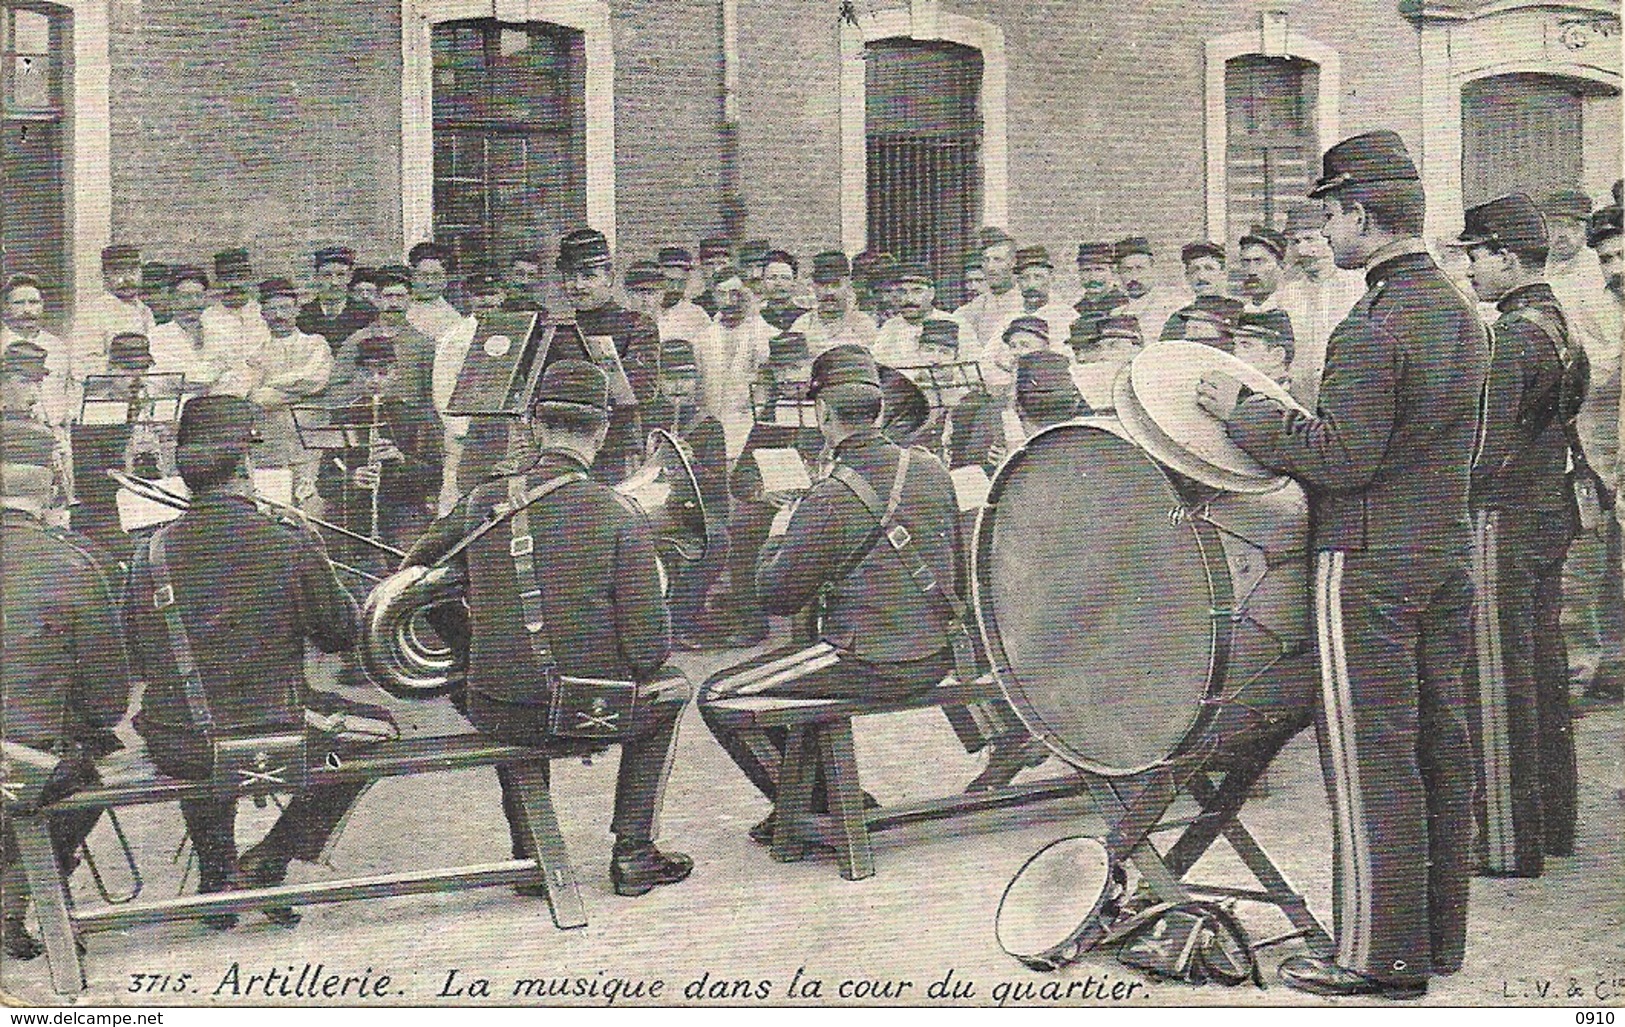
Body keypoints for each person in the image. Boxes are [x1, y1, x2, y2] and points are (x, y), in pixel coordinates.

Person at [1195, 129, 1485, 999]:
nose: (1322, 234)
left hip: (1364, 562)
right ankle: (1434, 939)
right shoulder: (1458, 310)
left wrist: (1245, 410)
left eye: (1328, 216)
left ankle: (1377, 957)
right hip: (1440, 551)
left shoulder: (1374, 323)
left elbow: (1341, 456)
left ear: (1361, 215)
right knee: (1440, 743)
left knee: (1370, 755)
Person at [699, 346, 1025, 837]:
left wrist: (782, 523)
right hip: (941, 652)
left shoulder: (827, 496)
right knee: (794, 676)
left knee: (721, 695)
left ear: (825, 415)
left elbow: (775, 598)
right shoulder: (931, 466)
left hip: (874, 661)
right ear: (878, 411)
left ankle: (823, 807)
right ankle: (826, 798)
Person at [401, 359, 693, 897]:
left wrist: (472, 646)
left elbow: (410, 579)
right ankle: (633, 853)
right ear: (602, 430)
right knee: (673, 688)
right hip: (589, 712)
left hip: (499, 707)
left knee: (506, 690)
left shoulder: (483, 500)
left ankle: (533, 853)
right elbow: (649, 650)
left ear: (535, 423)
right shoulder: (618, 512)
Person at [123, 395, 369, 929]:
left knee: (194, 715)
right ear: (245, 468)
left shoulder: (151, 549)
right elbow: (341, 633)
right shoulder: (289, 540)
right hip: (274, 727)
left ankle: (218, 874)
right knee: (376, 732)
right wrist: (314, 550)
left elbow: (139, 651)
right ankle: (267, 862)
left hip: (180, 737)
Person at [1455, 193, 1587, 878]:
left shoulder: (1510, 336)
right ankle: (1554, 823)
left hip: (1500, 519)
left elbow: (1480, 447)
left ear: (1504, 257)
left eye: (1474, 256)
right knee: (1538, 671)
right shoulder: (1558, 323)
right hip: (1547, 513)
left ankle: (1507, 843)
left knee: (1495, 676)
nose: (1469, 270)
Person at [1, 420, 131, 960]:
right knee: (75, 779)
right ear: (53, 483)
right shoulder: (77, 561)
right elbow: (108, 698)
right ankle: (16, 892)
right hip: (34, 758)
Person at [1545, 190, 1625, 701]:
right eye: (1608, 258)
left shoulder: (1599, 295)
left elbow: (1603, 365)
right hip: (1597, 444)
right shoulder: (1565, 283)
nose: (1613, 266)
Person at [235, 279, 334, 507]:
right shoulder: (256, 353)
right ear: (262, 314)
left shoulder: (315, 344)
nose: (279, 315)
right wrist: (291, 394)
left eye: (286, 308)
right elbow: (253, 397)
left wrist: (268, 387)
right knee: (271, 511)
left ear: (297, 310)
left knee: (309, 510)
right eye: (272, 309)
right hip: (268, 447)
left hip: (308, 445)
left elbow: (313, 380)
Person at [1278, 203, 1366, 410]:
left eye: (1310, 239)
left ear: (1329, 239)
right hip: (1300, 400)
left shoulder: (1358, 286)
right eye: (1295, 242)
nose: (1302, 250)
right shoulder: (1287, 294)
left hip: (1348, 397)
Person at [71, 245, 157, 384]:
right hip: (107, 396)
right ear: (105, 276)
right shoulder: (92, 312)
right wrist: (120, 364)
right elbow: (80, 368)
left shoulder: (146, 312)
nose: (127, 278)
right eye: (118, 272)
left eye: (133, 270)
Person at [872, 263, 978, 371]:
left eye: (917, 291)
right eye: (902, 292)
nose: (909, 299)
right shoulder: (891, 327)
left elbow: (975, 371)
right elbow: (877, 367)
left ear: (931, 294)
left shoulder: (956, 324)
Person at [2, 275, 73, 431]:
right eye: (19, 303)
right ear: (6, 307)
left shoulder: (57, 347)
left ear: (42, 305)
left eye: (33, 302)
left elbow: (67, 392)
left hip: (55, 432)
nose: (27, 310)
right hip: (13, 435)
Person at [147, 266, 234, 394]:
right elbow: (170, 379)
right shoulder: (157, 337)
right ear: (171, 300)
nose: (193, 302)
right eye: (186, 297)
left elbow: (230, 376)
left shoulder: (219, 336)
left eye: (198, 296)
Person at [199, 249, 267, 389]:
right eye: (228, 277)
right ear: (218, 281)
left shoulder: (264, 313)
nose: (235, 284)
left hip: (262, 388)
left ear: (249, 278)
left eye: (241, 276)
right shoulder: (208, 318)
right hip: (224, 391)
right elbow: (210, 364)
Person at [790, 251, 878, 356]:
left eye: (836, 285)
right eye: (822, 285)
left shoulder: (863, 325)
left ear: (848, 285)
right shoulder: (803, 325)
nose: (829, 292)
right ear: (813, 286)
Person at [297, 246, 377, 355]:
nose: (334, 282)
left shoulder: (367, 313)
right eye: (327, 275)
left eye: (340, 275)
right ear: (316, 278)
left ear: (349, 277)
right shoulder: (303, 315)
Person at [955, 229, 1024, 347]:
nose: (991, 267)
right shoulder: (971, 310)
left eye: (998, 260)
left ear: (1013, 263)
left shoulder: (1026, 302)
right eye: (986, 260)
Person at [1113, 236, 1187, 346]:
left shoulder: (1174, 306)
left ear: (1153, 270)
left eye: (1140, 269)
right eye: (1127, 270)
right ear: (1118, 273)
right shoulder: (1116, 313)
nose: (1134, 277)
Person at [1161, 243, 1243, 340]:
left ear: (1223, 274)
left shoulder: (1240, 312)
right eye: (1194, 270)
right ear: (1187, 277)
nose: (1201, 277)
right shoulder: (1179, 319)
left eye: (1209, 268)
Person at [1236, 225, 1297, 352]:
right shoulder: (1243, 312)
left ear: (1281, 266)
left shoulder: (1295, 309)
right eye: (1245, 262)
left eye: (1259, 261)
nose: (1251, 271)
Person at [1009, 245, 1076, 344]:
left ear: (1051, 279)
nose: (1031, 285)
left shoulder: (1067, 317)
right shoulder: (1009, 318)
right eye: (1025, 278)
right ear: (1018, 282)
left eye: (1038, 277)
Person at [404, 242, 463, 344]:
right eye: (423, 276)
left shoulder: (452, 319)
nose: (429, 282)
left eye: (436, 276)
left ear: (445, 280)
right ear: (412, 277)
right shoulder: (400, 306)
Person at [757, 250, 808, 332]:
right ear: (762, 281)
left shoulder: (806, 318)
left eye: (785, 278)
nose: (778, 283)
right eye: (772, 278)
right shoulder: (756, 318)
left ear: (794, 282)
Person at [692, 237, 734, 317]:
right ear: (701, 267)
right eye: (709, 264)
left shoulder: (744, 301)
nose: (716, 270)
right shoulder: (695, 307)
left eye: (721, 263)